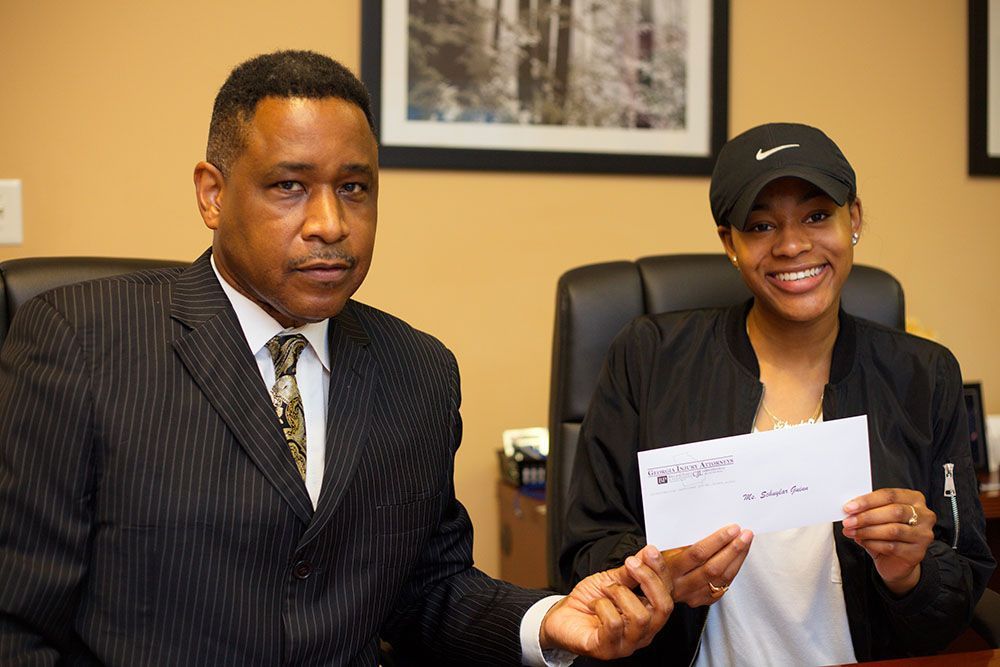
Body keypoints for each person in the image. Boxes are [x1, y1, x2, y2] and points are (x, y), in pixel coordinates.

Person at [0, 50, 675, 666]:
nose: (330, 223)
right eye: (289, 186)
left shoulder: (419, 371)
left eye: (354, 188)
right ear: (213, 194)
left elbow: (427, 589)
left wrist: (547, 620)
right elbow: (17, 619)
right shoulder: (80, 341)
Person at [560, 122, 995, 665]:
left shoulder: (923, 374)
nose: (792, 245)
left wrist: (910, 573)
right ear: (731, 244)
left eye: (817, 216)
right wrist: (656, 578)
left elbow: (959, 589)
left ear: (854, 219)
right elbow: (587, 552)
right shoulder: (650, 358)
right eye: (762, 225)